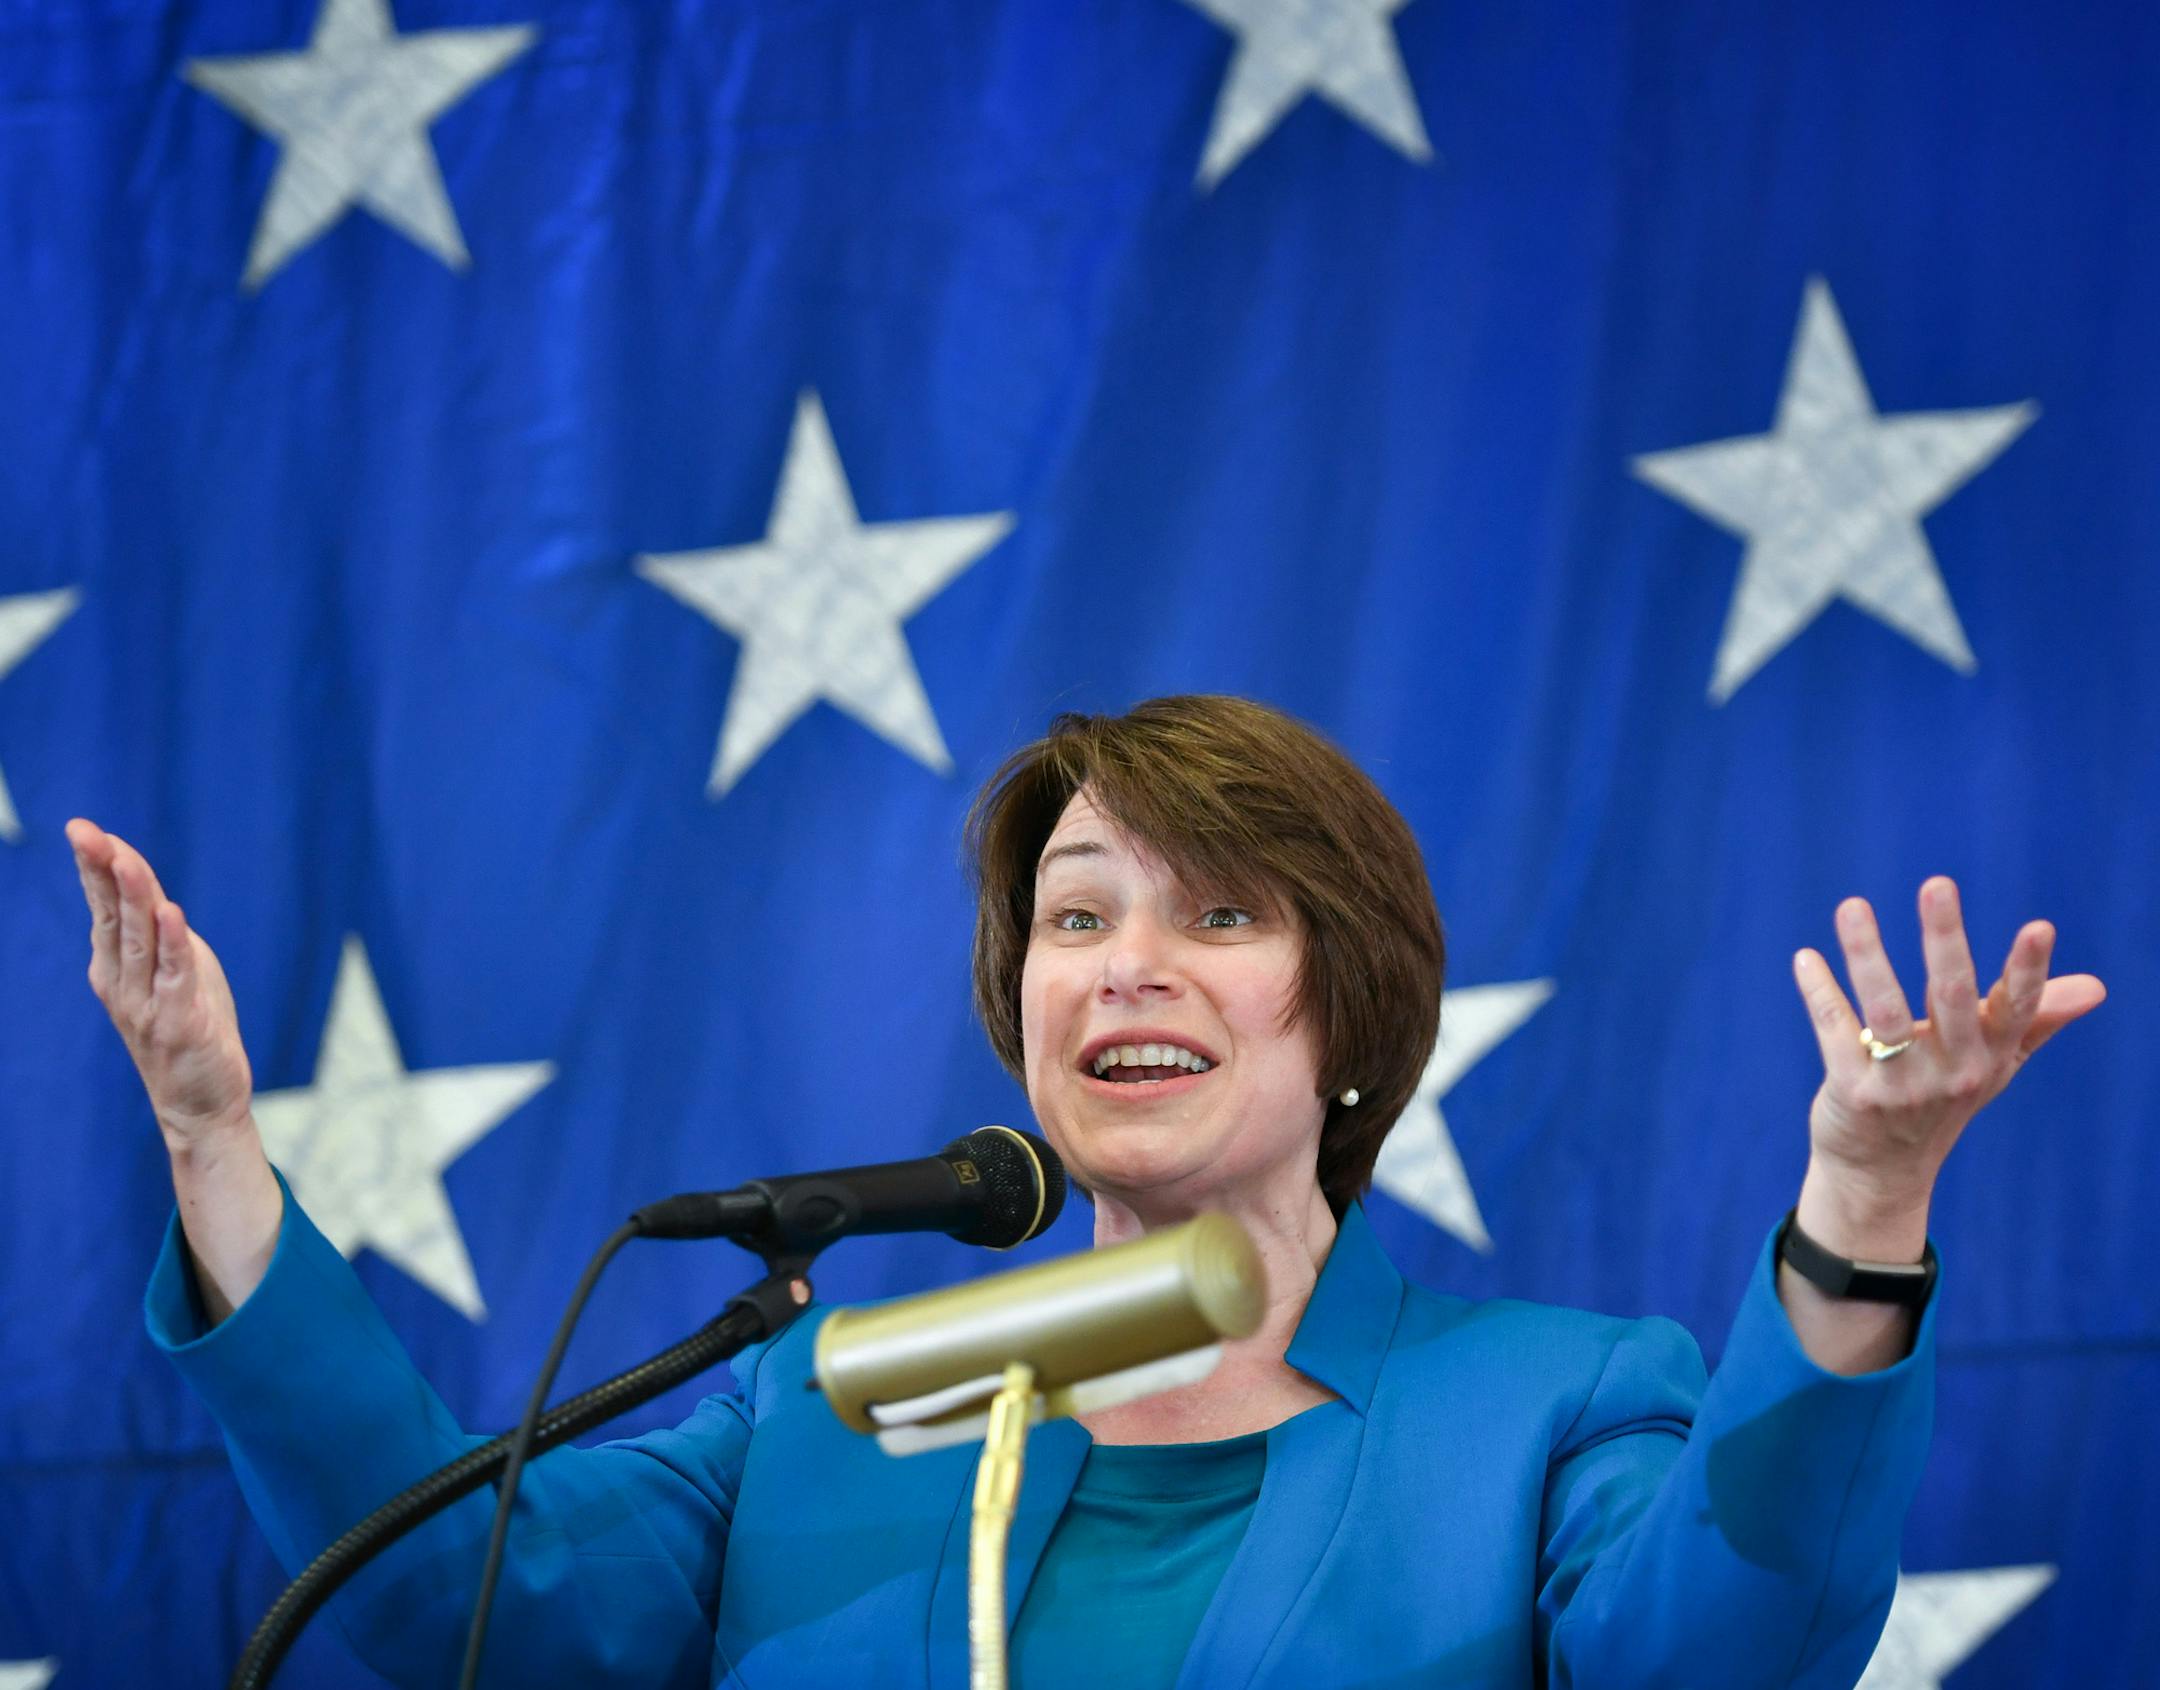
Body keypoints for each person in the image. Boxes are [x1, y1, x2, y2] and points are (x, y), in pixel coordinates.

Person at [71, 695, 2104, 1688]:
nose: (1125, 962)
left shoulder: (1547, 1408)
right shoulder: (842, 1389)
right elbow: (454, 1600)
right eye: (1075, 914)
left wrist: (1862, 1184)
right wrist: (217, 1144)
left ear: (1354, 1009)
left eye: (1218, 911)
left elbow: (1721, 1658)